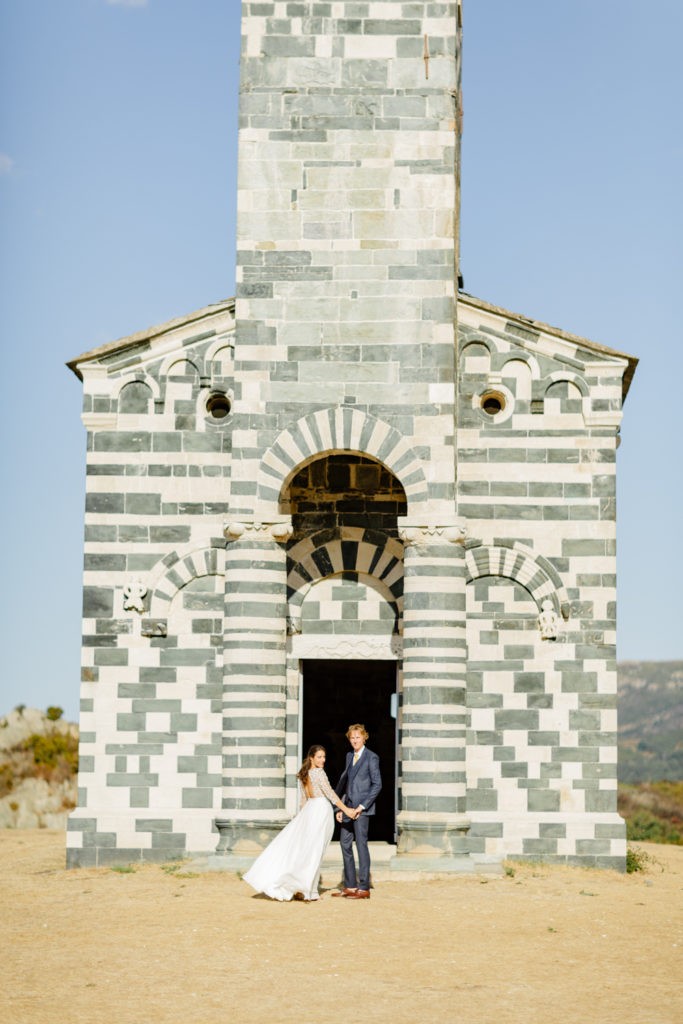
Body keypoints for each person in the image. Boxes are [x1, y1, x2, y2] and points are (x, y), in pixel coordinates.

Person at [242, 745, 358, 902]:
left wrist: (301, 820)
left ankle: (305, 888)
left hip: (309, 811)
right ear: (311, 758)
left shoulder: (304, 774)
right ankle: (308, 891)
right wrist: (346, 810)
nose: (323, 760)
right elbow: (330, 794)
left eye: (324, 757)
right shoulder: (318, 773)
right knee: (315, 851)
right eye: (319, 757)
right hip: (320, 811)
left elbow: (303, 801)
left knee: (306, 850)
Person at [333, 723, 382, 900]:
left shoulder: (372, 757)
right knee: (345, 844)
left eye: (358, 737)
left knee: (361, 845)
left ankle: (364, 888)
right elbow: (346, 783)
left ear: (364, 737)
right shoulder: (348, 756)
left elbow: (377, 785)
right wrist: (340, 807)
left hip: (362, 810)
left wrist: (362, 807)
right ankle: (351, 885)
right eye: (352, 738)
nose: (355, 740)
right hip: (348, 807)